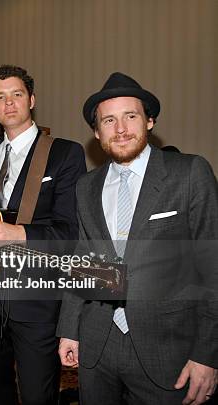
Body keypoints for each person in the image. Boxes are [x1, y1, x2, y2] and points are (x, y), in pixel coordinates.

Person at [57, 72, 218, 404]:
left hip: (168, 347)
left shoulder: (189, 173)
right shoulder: (86, 187)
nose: (120, 128)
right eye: (109, 120)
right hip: (98, 342)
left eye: (130, 116)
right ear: (96, 131)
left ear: (149, 120)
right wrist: (69, 329)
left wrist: (208, 354)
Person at [0, 65, 87, 404]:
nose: (9, 103)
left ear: (32, 100)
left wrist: (18, 232)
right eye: (0, 97)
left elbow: (71, 232)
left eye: (17, 95)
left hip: (36, 299)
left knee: (38, 394)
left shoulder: (64, 153)